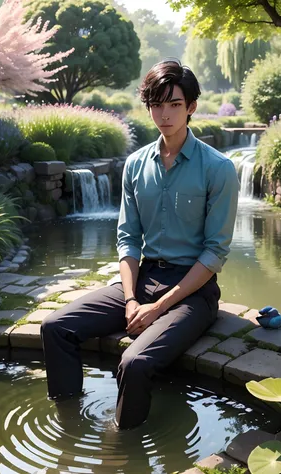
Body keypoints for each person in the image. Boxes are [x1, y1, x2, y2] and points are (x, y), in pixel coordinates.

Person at [40, 58, 239, 430]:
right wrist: (132, 299)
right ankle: (68, 421)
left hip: (194, 292)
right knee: (55, 327)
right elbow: (128, 238)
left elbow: (215, 252)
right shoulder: (135, 164)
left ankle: (123, 444)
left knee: (135, 362)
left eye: (174, 104)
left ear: (191, 107)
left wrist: (158, 307)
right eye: (156, 104)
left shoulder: (218, 168)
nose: (164, 114)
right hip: (143, 278)